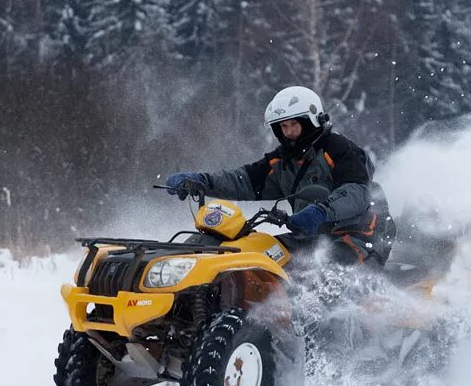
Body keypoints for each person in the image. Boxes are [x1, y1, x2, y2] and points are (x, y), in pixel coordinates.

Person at [165, 86, 395, 266]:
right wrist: (203, 181)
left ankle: (326, 323)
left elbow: (356, 192)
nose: (289, 132)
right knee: (257, 258)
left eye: (294, 125)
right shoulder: (283, 161)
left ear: (312, 120)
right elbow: (243, 180)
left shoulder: (340, 149)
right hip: (310, 239)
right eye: (283, 127)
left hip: (357, 237)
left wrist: (321, 210)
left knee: (320, 273)